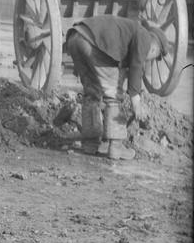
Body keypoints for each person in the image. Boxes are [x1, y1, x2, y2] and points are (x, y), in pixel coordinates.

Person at [65, 15, 167, 160]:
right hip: (93, 43)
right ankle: (116, 146)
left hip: (75, 36)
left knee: (91, 92)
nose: (149, 59)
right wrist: (136, 102)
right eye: (155, 57)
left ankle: (90, 143)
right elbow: (136, 67)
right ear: (154, 49)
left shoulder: (131, 32)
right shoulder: (145, 36)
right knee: (113, 94)